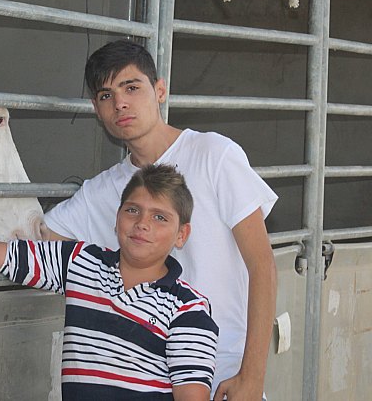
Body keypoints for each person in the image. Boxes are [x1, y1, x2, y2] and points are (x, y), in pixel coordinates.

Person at [43, 40, 278, 401]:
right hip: (141, 383)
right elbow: (43, 237)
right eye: (105, 95)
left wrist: (252, 376)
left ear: (160, 90)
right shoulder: (102, 191)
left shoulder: (213, 155)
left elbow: (262, 265)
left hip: (222, 375)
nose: (119, 102)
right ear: (96, 109)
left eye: (131, 87)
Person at [0, 164, 219, 401]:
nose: (142, 223)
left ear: (182, 235)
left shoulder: (188, 310)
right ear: (116, 218)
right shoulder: (81, 262)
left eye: (160, 218)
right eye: (132, 210)